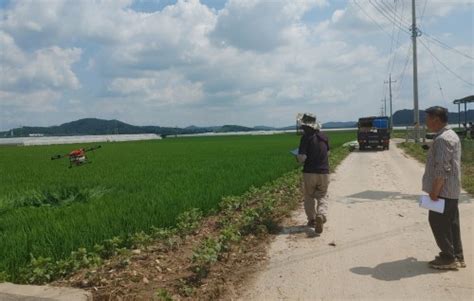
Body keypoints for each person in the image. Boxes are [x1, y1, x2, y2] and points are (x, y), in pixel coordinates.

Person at [422, 106, 465, 270]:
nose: (426, 122)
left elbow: (443, 168)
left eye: (428, 118)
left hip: (444, 191)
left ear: (436, 119)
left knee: (437, 222)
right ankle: (457, 256)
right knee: (451, 223)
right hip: (451, 190)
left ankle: (448, 257)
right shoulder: (450, 135)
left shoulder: (443, 139)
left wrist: (435, 191)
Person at [296, 113, 330, 234]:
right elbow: (328, 154)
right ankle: (321, 214)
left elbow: (303, 158)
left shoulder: (306, 138)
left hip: (310, 172)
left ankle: (312, 220)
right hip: (324, 172)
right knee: (322, 195)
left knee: (309, 196)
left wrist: (297, 157)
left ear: (306, 126)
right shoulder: (324, 137)